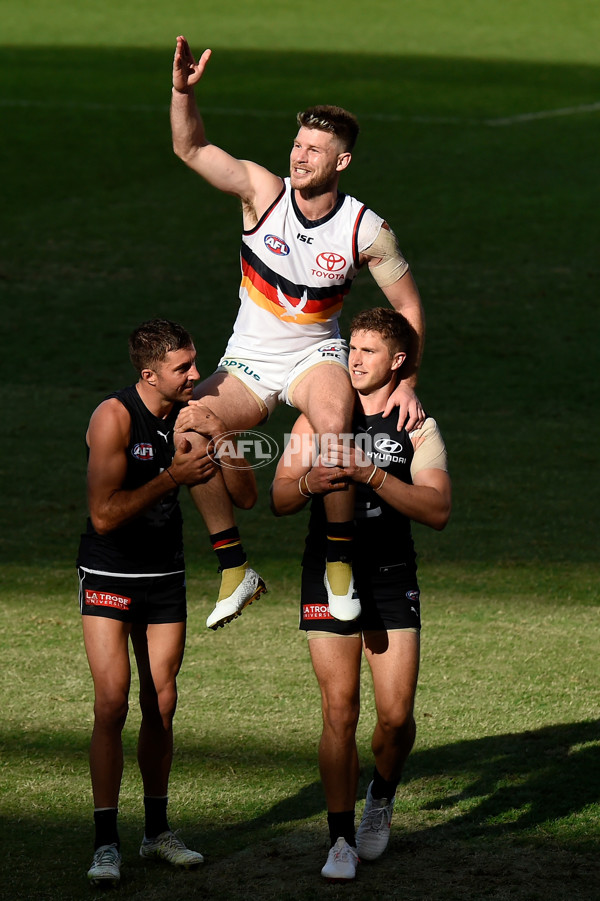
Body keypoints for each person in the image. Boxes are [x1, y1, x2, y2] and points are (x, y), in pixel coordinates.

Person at [170, 36, 426, 630]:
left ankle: (341, 567)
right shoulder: (263, 193)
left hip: (317, 354)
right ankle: (235, 569)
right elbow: (192, 148)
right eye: (297, 144)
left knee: (335, 425)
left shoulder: (366, 230)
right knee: (187, 425)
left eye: (314, 149)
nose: (299, 156)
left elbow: (408, 306)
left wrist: (407, 381)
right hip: (248, 364)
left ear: (341, 162)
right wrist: (182, 92)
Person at [270, 308, 451, 882]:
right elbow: (279, 497)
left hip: (392, 576)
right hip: (329, 575)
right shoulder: (319, 415)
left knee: (396, 719)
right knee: (339, 712)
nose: (353, 357)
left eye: (368, 351)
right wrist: (307, 482)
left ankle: (382, 796)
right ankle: (341, 839)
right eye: (351, 346)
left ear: (397, 361)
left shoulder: (415, 424)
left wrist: (371, 474)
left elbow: (438, 509)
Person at [77, 318, 257, 887]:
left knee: (162, 701)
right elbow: (103, 514)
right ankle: (107, 844)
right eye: (184, 368)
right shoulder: (114, 417)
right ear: (149, 373)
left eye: (195, 362)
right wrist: (169, 476)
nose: (196, 375)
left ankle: (156, 833)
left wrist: (224, 440)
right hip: (109, 570)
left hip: (163, 575)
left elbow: (246, 496)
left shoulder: (192, 415)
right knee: (112, 702)